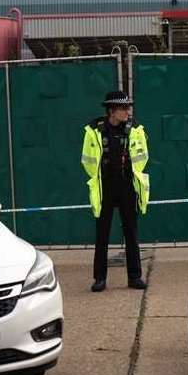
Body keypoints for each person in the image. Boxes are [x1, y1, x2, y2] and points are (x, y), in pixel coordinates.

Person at [81, 91, 150, 292]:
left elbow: (142, 157)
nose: (128, 111)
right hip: (105, 188)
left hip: (128, 187)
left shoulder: (136, 129)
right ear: (112, 110)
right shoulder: (94, 131)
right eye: (124, 108)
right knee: (102, 234)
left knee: (131, 233)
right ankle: (99, 279)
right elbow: (87, 160)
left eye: (129, 107)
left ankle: (135, 277)